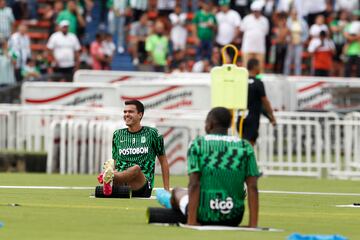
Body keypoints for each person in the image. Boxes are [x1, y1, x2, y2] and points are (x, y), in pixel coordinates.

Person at [157, 107, 260, 227]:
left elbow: (194, 184)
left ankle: (171, 204)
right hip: (234, 217)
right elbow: (252, 186)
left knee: (177, 192)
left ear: (210, 124)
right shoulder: (245, 146)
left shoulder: (198, 144)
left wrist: (192, 222)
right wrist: (252, 225)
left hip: (204, 215)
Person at [97, 100, 170, 197]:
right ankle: (111, 177)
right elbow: (115, 161)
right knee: (115, 169)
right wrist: (112, 168)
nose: (126, 114)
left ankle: (110, 176)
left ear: (140, 115)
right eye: (125, 112)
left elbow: (163, 161)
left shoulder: (153, 134)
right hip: (121, 184)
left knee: (136, 168)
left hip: (142, 185)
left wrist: (167, 190)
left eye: (130, 112)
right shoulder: (117, 135)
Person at [238, 58, 276, 146]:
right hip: (252, 119)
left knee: (243, 143)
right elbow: (265, 101)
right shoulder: (258, 83)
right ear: (255, 67)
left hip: (241, 117)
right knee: (249, 146)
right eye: (259, 66)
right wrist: (272, 116)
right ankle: (247, 160)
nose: (260, 68)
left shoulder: (241, 81)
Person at [241, 1, 269, 73]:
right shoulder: (246, 19)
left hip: (259, 47)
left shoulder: (264, 20)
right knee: (245, 65)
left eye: (258, 11)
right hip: (248, 46)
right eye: (255, 11)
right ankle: (246, 79)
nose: (256, 13)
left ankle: (260, 80)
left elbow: (266, 32)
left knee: (260, 66)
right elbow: (242, 30)